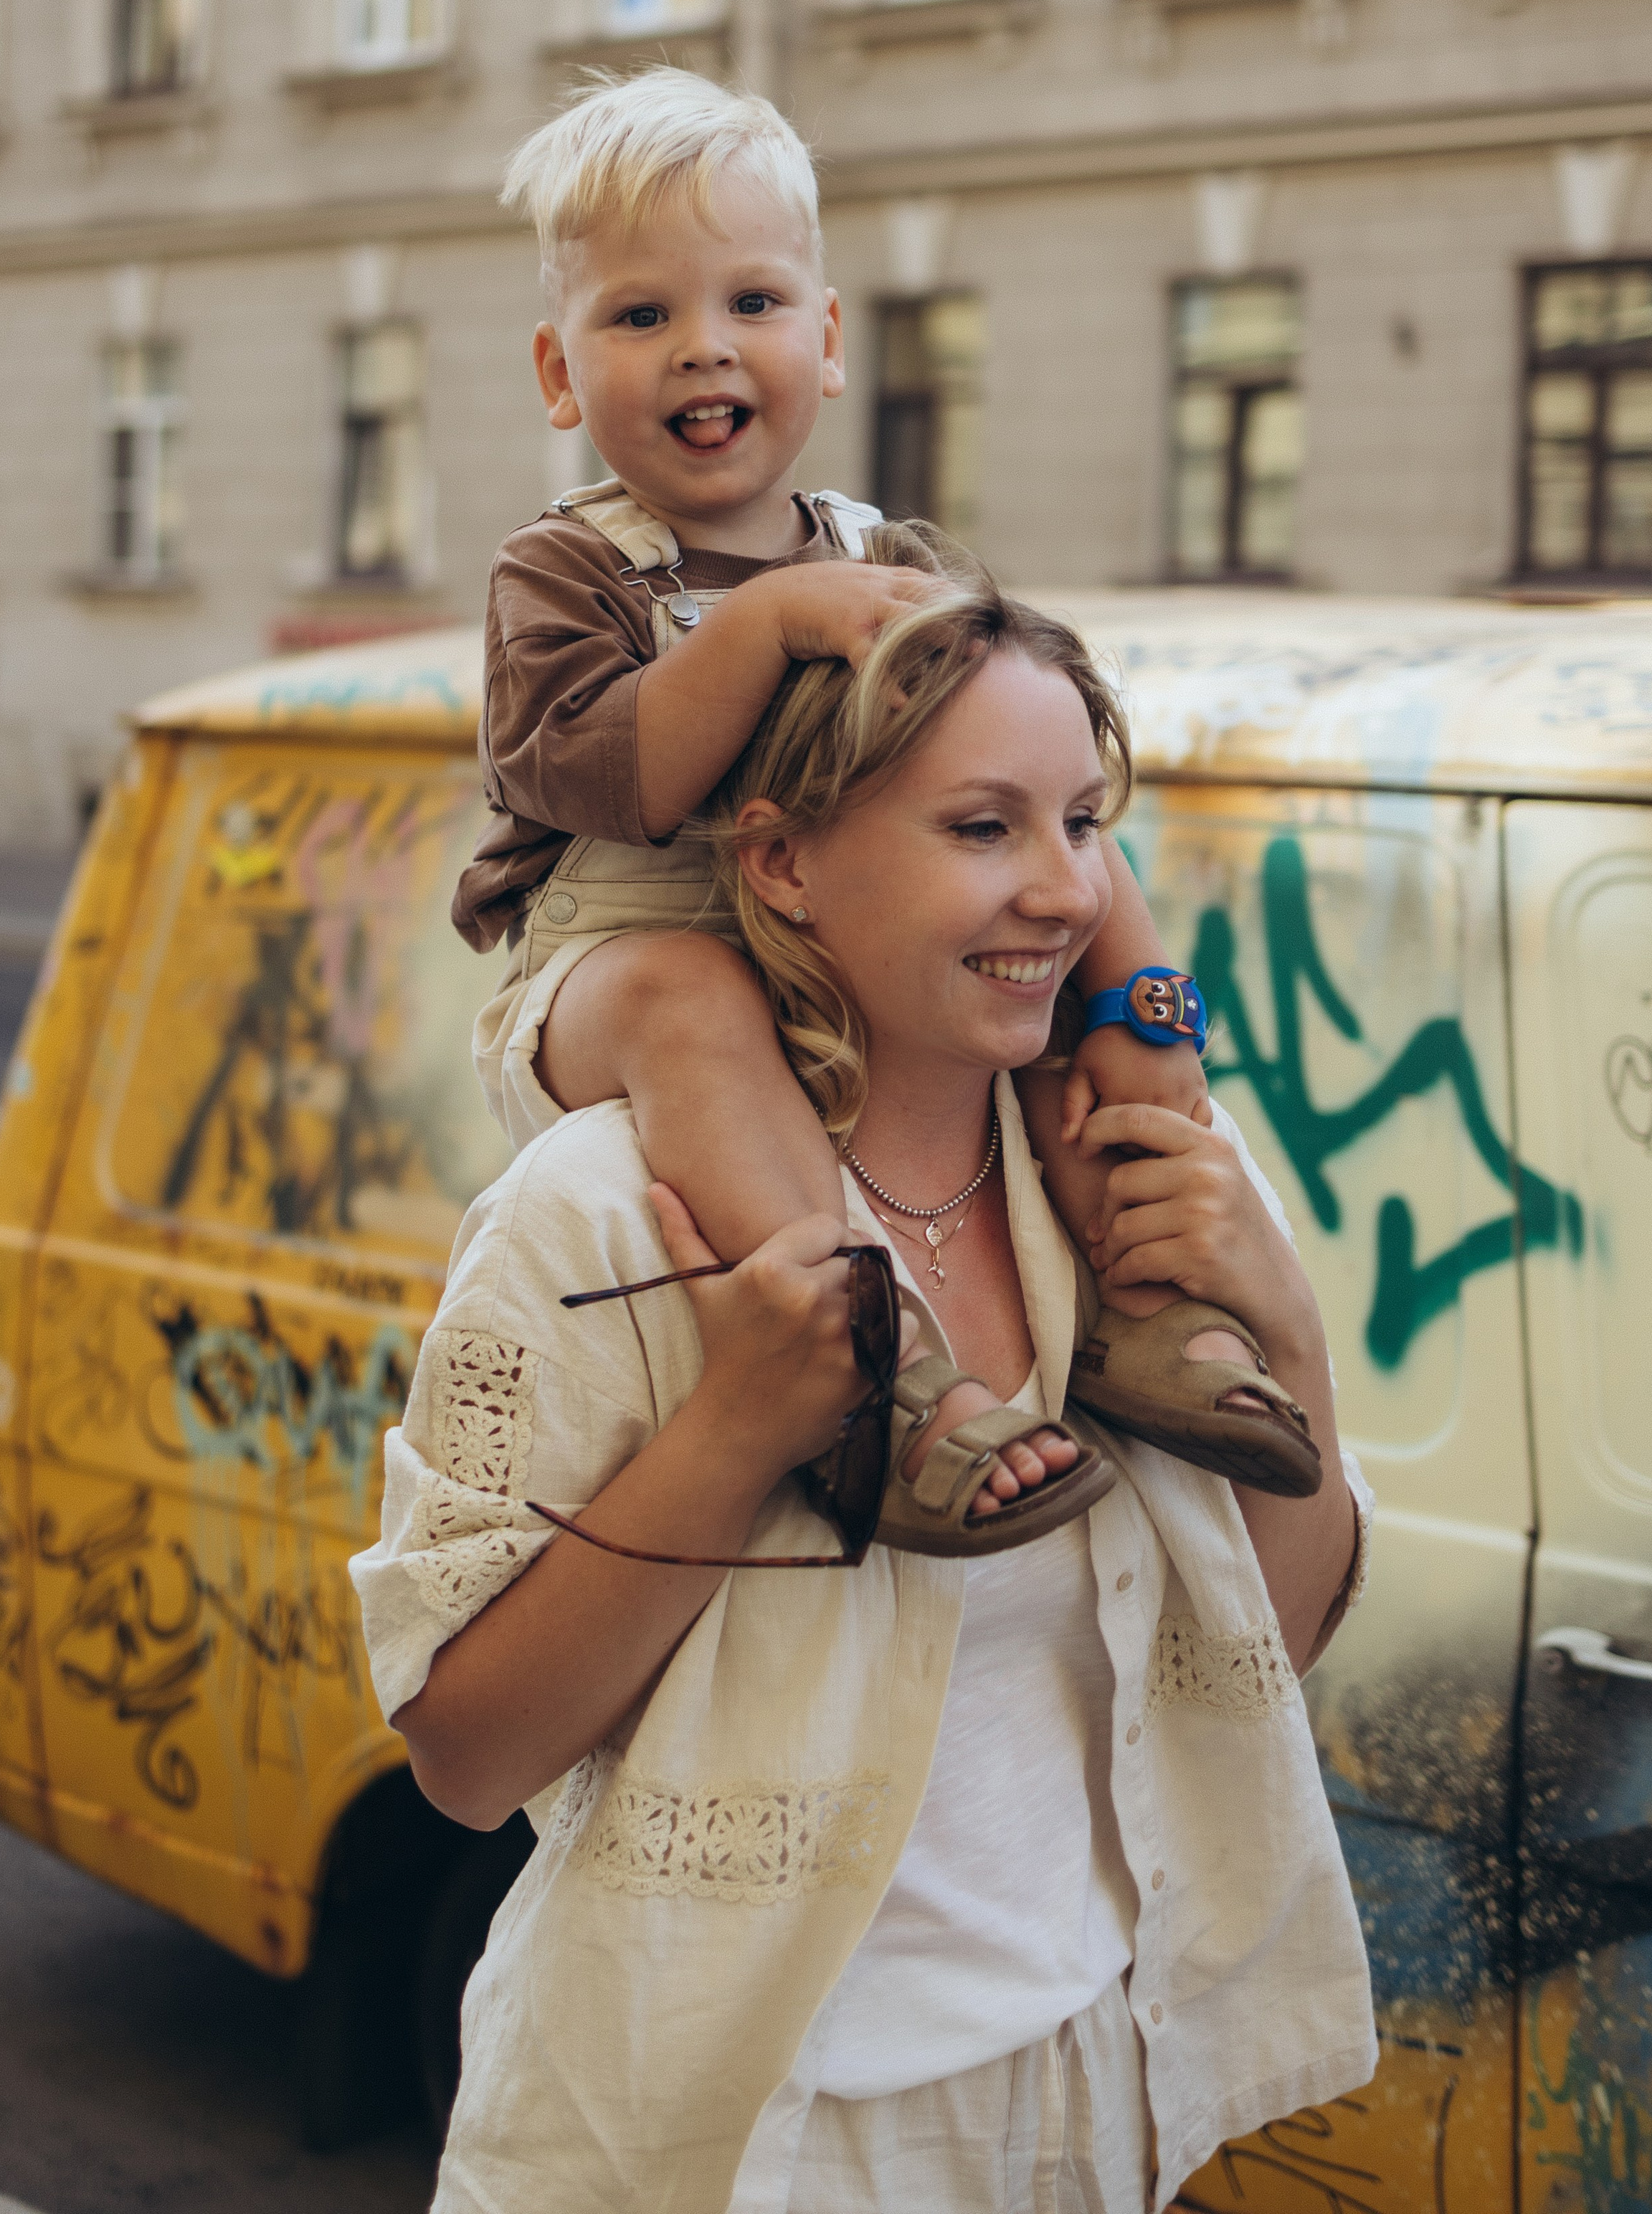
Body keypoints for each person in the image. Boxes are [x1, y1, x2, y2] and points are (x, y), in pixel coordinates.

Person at [353, 557, 1376, 2213]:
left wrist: (1292, 1345)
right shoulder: (603, 1214)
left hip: (1080, 2086)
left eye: (1082, 824)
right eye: (981, 830)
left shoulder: (1131, 1185)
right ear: (783, 861)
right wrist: (736, 1429)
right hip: (730, 2132)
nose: (1059, 890)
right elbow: (466, 1758)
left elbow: (1282, 1639)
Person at [449, 67, 1320, 1524]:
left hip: (827, 946)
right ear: (557, 371)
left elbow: (1016, 764)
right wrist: (763, 627)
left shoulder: (883, 549)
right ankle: (893, 1381)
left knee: (1061, 875)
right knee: (689, 994)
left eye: (752, 305)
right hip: (609, 971)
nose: (700, 350)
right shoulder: (565, 569)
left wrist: (1125, 996)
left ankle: (1145, 1300)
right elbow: (592, 773)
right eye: (640, 315)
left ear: (827, 338)